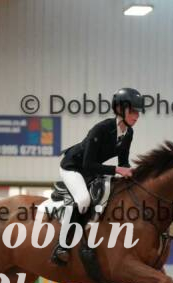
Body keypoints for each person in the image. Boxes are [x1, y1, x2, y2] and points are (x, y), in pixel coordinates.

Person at [51, 87, 144, 265]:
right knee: (83, 200)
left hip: (93, 170)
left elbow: (123, 162)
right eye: (133, 111)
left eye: (138, 112)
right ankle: (62, 246)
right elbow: (88, 164)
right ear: (120, 109)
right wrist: (117, 170)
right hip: (73, 167)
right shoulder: (101, 129)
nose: (137, 116)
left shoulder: (128, 133)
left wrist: (133, 175)